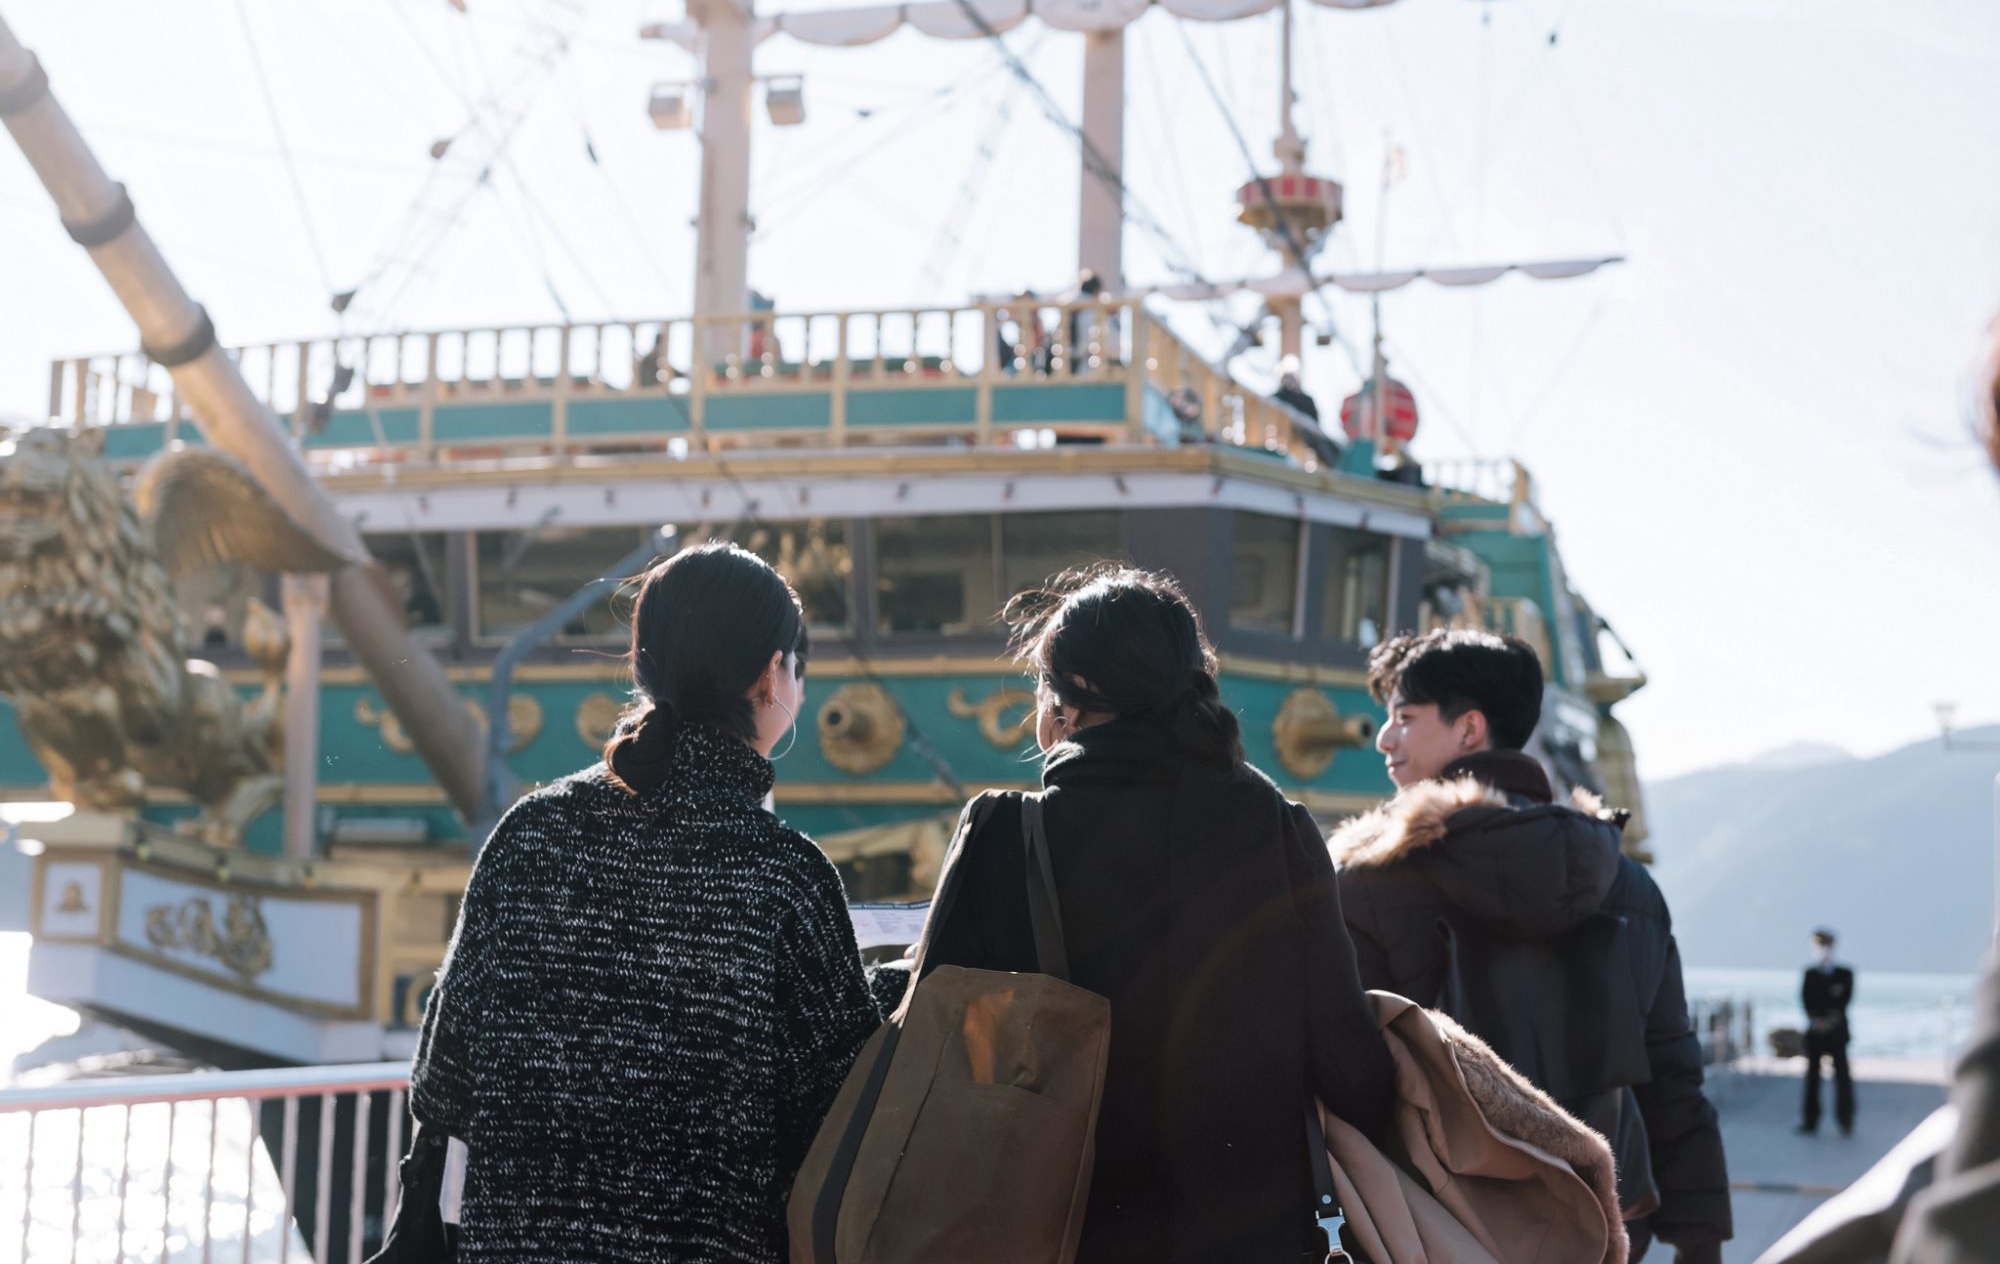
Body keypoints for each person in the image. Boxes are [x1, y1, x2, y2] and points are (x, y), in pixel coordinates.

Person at [407, 542, 881, 1263]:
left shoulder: (530, 834)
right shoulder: (784, 876)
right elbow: (844, 1119)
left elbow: (446, 1080)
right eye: (797, 663)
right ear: (770, 676)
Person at [920, 565, 1395, 1264]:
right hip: (1249, 1238)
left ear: (1067, 699)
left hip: (1050, 1230)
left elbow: (933, 1060)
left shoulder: (1002, 835)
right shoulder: (1275, 829)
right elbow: (1353, 1070)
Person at [1328, 628, 1731, 1264]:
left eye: (1404, 717)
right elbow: (1670, 1071)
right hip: (1598, 1226)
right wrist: (1700, 1236)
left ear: (1469, 730)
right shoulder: (1624, 883)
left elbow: (1345, 1074)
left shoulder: (1368, 882)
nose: (1384, 738)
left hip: (1430, 1228)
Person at [1801, 927, 1858, 1137]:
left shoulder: (1845, 974)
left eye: (1825, 945)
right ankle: (1810, 1121)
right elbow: (1805, 1000)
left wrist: (1830, 1021)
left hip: (1837, 1032)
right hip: (1815, 1032)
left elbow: (1845, 1001)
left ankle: (1846, 1120)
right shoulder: (1810, 973)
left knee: (1842, 1076)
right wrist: (1816, 1020)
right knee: (1812, 1077)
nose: (1822, 949)